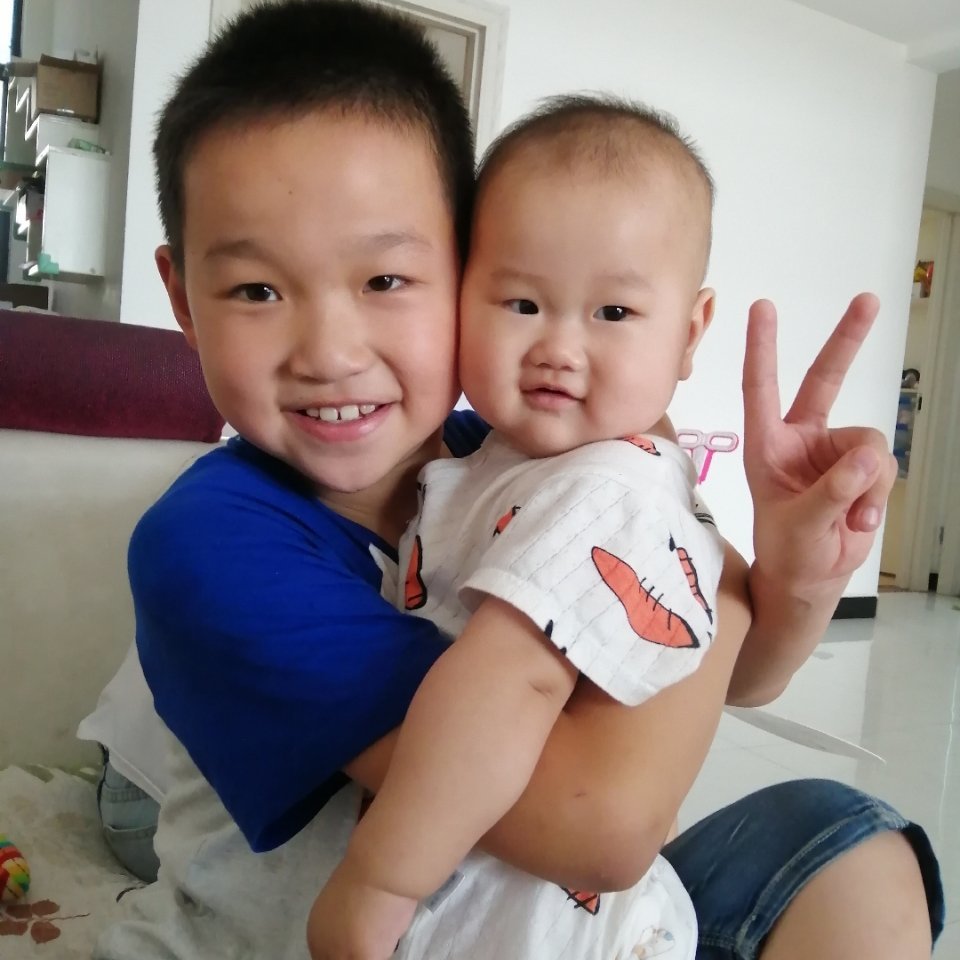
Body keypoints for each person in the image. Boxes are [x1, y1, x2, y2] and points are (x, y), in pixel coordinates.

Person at [91, 2, 942, 959]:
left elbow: (741, 674)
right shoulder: (210, 544)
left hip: (546, 924)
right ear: (183, 297)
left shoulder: (513, 459)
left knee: (853, 837)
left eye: (384, 281)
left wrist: (795, 575)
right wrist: (680, 531)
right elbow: (606, 826)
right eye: (257, 290)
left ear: (465, 266)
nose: (329, 353)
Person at [309, 95, 728, 958]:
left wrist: (381, 879)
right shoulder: (507, 458)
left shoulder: (610, 486)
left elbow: (513, 684)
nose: (559, 349)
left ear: (689, 335)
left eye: (613, 314)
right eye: (522, 303)